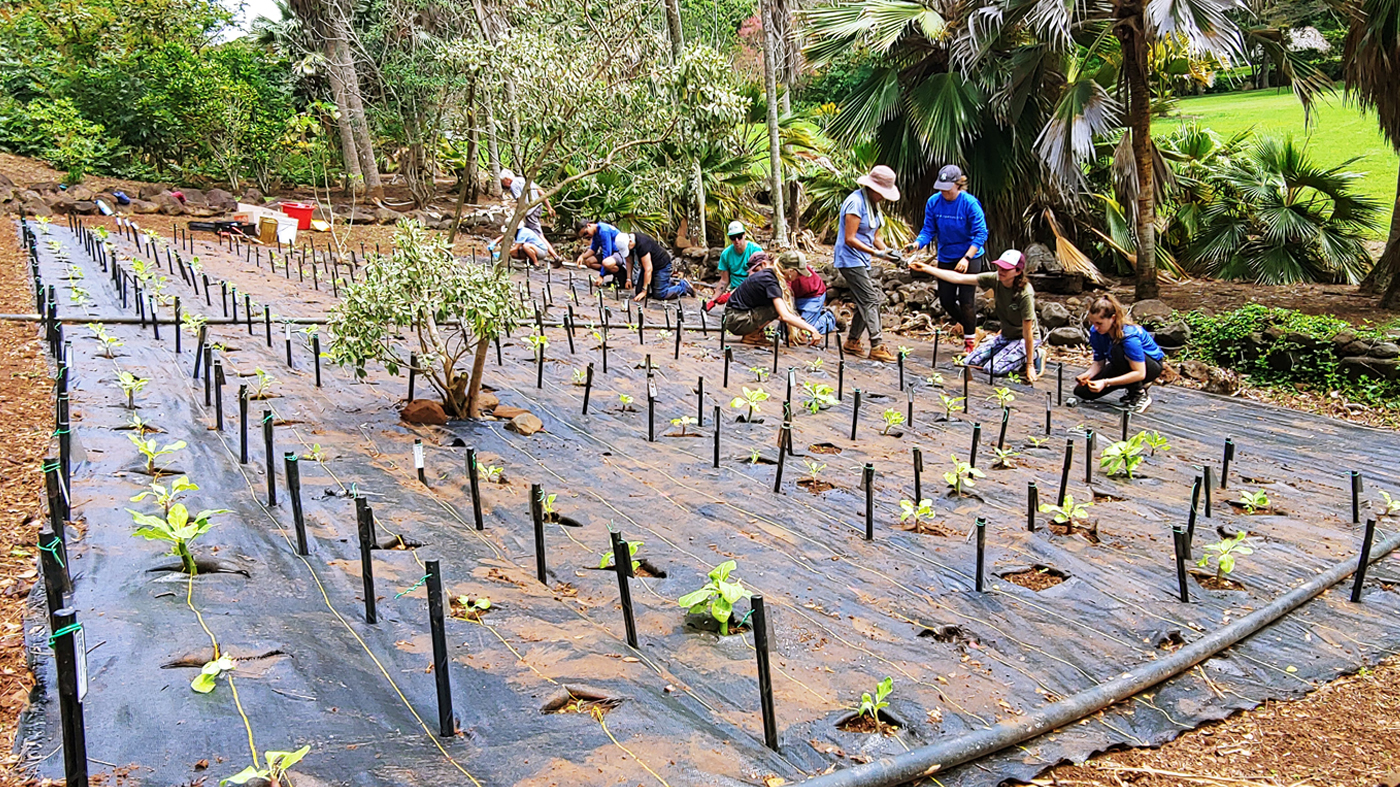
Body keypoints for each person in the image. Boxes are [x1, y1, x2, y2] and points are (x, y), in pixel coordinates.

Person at [911, 249, 1042, 381]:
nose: (1001, 271)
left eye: (1006, 269)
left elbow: (1028, 330)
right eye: (1000, 267)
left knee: (992, 369)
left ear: (1018, 271)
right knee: (969, 361)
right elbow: (959, 278)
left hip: (1024, 339)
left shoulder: (1025, 294)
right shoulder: (995, 278)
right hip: (1007, 336)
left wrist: (1030, 365)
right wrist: (926, 268)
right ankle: (1007, 353)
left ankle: (1036, 355)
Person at [905, 164, 989, 355]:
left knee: (966, 300)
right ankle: (973, 330)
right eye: (941, 188)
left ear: (959, 185)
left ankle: (969, 343)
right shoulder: (934, 202)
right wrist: (917, 244)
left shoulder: (969, 204)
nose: (944, 193)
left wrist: (967, 258)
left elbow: (980, 233)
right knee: (946, 300)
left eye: (948, 189)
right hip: (947, 256)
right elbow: (929, 229)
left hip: (970, 256)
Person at [834, 164, 901, 363]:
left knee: (868, 299)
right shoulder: (855, 202)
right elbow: (850, 238)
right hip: (849, 260)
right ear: (872, 188)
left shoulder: (874, 206)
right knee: (871, 299)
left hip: (863, 260)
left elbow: (875, 235)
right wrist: (876, 253)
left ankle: (853, 341)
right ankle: (877, 345)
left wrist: (888, 252)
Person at [1073, 294, 1165, 413]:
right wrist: (1087, 375)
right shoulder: (1096, 332)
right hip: (1119, 363)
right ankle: (1131, 386)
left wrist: (1106, 382)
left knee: (1117, 349)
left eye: (1099, 323)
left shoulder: (1129, 335)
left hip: (1147, 367)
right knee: (1082, 392)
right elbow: (1099, 362)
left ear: (1113, 318)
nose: (1095, 327)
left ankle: (1139, 393)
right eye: (1093, 323)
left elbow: (1139, 373)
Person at [723, 250, 822, 346]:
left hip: (737, 316)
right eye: (799, 274)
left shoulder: (771, 275)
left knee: (779, 306)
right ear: (791, 271)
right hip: (736, 320)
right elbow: (784, 315)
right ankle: (751, 336)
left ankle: (754, 333)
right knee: (776, 308)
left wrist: (798, 324)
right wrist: (811, 329)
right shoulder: (770, 281)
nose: (800, 277)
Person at [707, 221, 763, 311]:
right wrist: (713, 299)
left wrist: (731, 294)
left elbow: (753, 278)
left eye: (739, 237)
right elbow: (724, 280)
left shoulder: (755, 250)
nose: (737, 240)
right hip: (735, 293)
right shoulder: (726, 254)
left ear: (744, 235)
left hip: (752, 290)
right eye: (733, 238)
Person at [624, 231, 694, 302]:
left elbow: (648, 269)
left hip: (662, 266)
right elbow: (629, 261)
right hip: (649, 266)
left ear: (630, 241)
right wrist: (628, 279)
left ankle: (683, 286)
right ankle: (667, 283)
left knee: (660, 294)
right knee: (639, 292)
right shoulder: (629, 242)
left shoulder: (642, 243)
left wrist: (644, 291)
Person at [789, 252, 837, 341]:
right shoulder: (782, 274)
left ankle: (829, 319)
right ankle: (817, 313)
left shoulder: (794, 270)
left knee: (804, 332)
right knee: (787, 330)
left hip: (814, 295)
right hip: (797, 295)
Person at [500, 169, 554, 236]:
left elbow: (520, 200)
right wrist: (549, 207)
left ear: (507, 179)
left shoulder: (513, 185)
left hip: (531, 210)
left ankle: (545, 246)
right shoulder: (523, 179)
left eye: (503, 182)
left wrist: (519, 214)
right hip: (538, 206)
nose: (503, 184)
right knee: (529, 229)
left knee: (536, 233)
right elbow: (541, 191)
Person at [494, 224, 559, 267]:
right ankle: (529, 260)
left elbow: (515, 248)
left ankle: (536, 263)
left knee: (526, 246)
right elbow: (505, 236)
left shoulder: (522, 233)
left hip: (541, 251)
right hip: (533, 249)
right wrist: (494, 243)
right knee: (514, 254)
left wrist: (502, 253)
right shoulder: (517, 232)